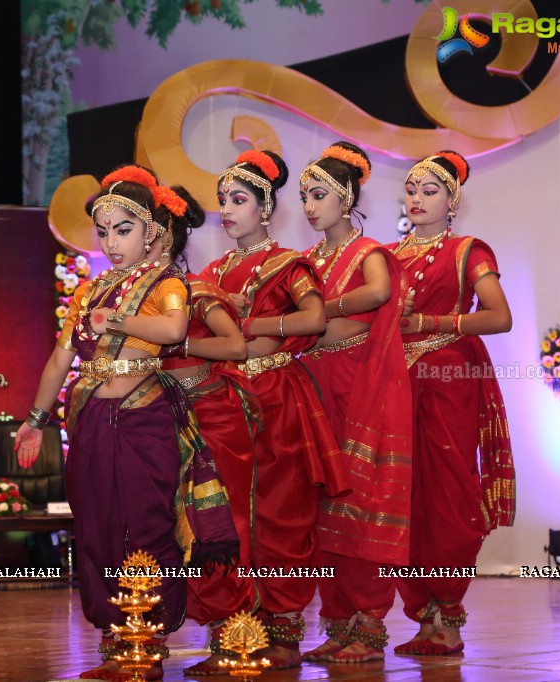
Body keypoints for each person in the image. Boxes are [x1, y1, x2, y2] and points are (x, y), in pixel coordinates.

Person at [14, 165, 238, 681]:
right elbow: (57, 361)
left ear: (151, 232)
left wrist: (114, 320)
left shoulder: (168, 283)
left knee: (147, 525)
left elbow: (174, 328)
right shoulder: (90, 292)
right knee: (96, 527)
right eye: (104, 232)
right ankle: (117, 640)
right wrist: (34, 421)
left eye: (124, 230)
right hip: (92, 420)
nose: (112, 243)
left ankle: (149, 638)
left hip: (145, 418)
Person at [199, 149, 350, 670]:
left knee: (282, 515)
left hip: (278, 400)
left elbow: (312, 320)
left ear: (265, 208)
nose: (227, 209)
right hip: (224, 404)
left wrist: (252, 326)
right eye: (222, 201)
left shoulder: (289, 263)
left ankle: (284, 631)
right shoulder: (212, 271)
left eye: (238, 200)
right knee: (226, 517)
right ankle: (236, 631)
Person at [389, 151, 516, 655]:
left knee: (448, 495)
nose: (417, 199)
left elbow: (499, 316)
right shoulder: (387, 256)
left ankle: (450, 615)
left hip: (449, 378)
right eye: (411, 190)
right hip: (396, 384)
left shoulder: (468, 251)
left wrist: (431, 324)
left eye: (429, 191)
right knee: (402, 497)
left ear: (452, 200)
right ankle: (423, 616)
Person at [295, 142, 413, 664]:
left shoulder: (370, 254)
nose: (309, 207)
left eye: (318, 195)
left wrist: (322, 311)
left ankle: (368, 627)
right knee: (321, 507)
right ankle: (339, 624)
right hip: (314, 383)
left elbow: (378, 294)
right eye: (303, 197)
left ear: (346, 198)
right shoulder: (306, 261)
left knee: (362, 503)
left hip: (359, 384)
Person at [149, 194, 263, 676]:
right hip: (158, 421)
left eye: (136, 230)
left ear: (163, 237)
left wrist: (179, 340)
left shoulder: (194, 290)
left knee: (219, 528)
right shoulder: (133, 296)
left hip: (212, 418)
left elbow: (236, 345)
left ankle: (235, 639)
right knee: (171, 529)